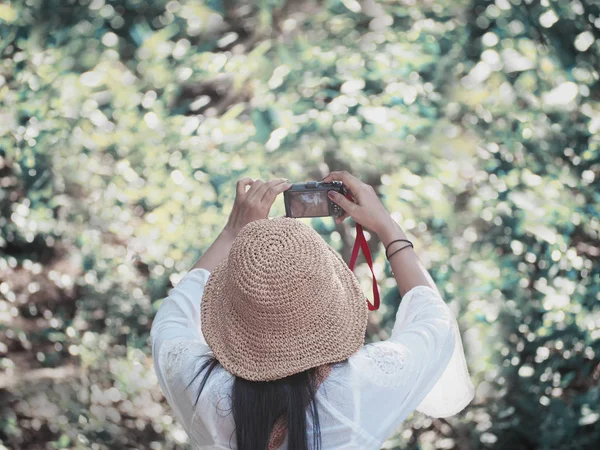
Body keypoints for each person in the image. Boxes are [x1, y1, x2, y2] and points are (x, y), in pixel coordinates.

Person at [150, 171, 475, 450]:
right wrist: (387, 227)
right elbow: (435, 319)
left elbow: (174, 314)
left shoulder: (196, 384)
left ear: (231, 314)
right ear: (333, 305)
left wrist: (232, 232)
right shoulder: (366, 386)